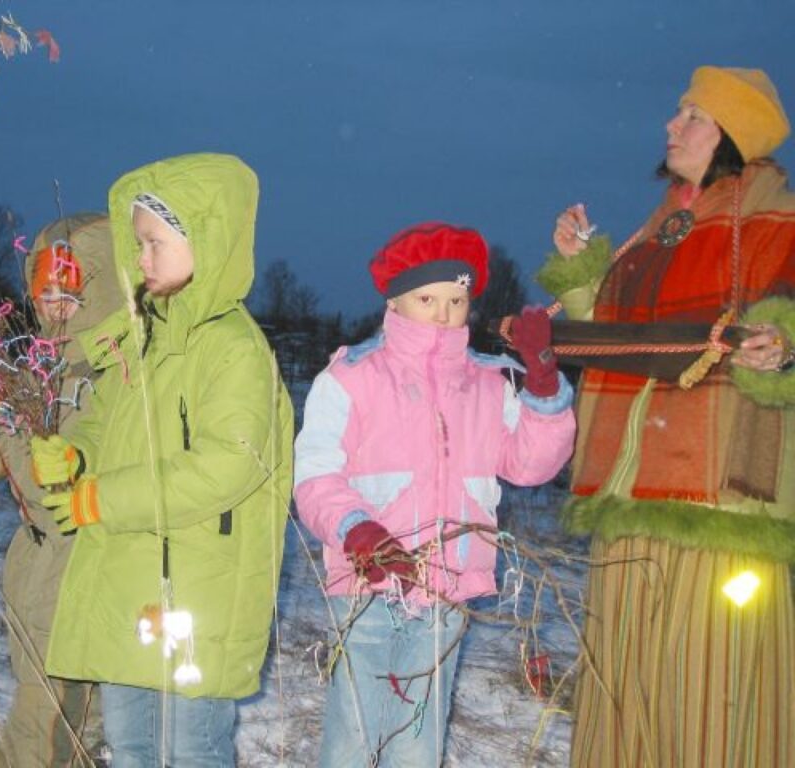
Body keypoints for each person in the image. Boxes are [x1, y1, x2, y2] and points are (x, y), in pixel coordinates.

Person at [539, 66, 795, 767]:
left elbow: (786, 331)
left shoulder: (782, 225)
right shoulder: (659, 232)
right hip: (626, 492)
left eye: (692, 116)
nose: (671, 126)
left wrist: (781, 344)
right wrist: (583, 271)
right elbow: (619, 342)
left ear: (732, 135)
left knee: (710, 691)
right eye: (679, 113)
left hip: (722, 499)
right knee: (623, 682)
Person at [29, 153, 294, 767]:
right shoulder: (139, 337)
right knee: (134, 746)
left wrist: (102, 498)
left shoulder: (234, 350)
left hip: (201, 590)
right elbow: (107, 420)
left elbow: (228, 465)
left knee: (192, 747)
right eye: (139, 243)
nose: (140, 257)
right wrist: (77, 453)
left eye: (155, 243)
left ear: (208, 240)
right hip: (131, 582)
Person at [294, 222, 576, 767]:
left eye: (456, 298)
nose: (444, 312)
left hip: (447, 588)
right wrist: (358, 530)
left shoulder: (490, 382)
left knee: (419, 742)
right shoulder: (354, 377)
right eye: (427, 298)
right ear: (395, 301)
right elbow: (314, 474)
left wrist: (542, 384)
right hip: (367, 584)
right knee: (355, 733)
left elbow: (531, 464)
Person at [0, 213, 122, 767]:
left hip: (76, 573)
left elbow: (60, 485)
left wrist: (13, 435)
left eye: (71, 290)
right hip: (32, 568)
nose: (55, 303)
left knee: (45, 724)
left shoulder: (112, 377)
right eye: (45, 290)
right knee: (47, 715)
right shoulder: (44, 369)